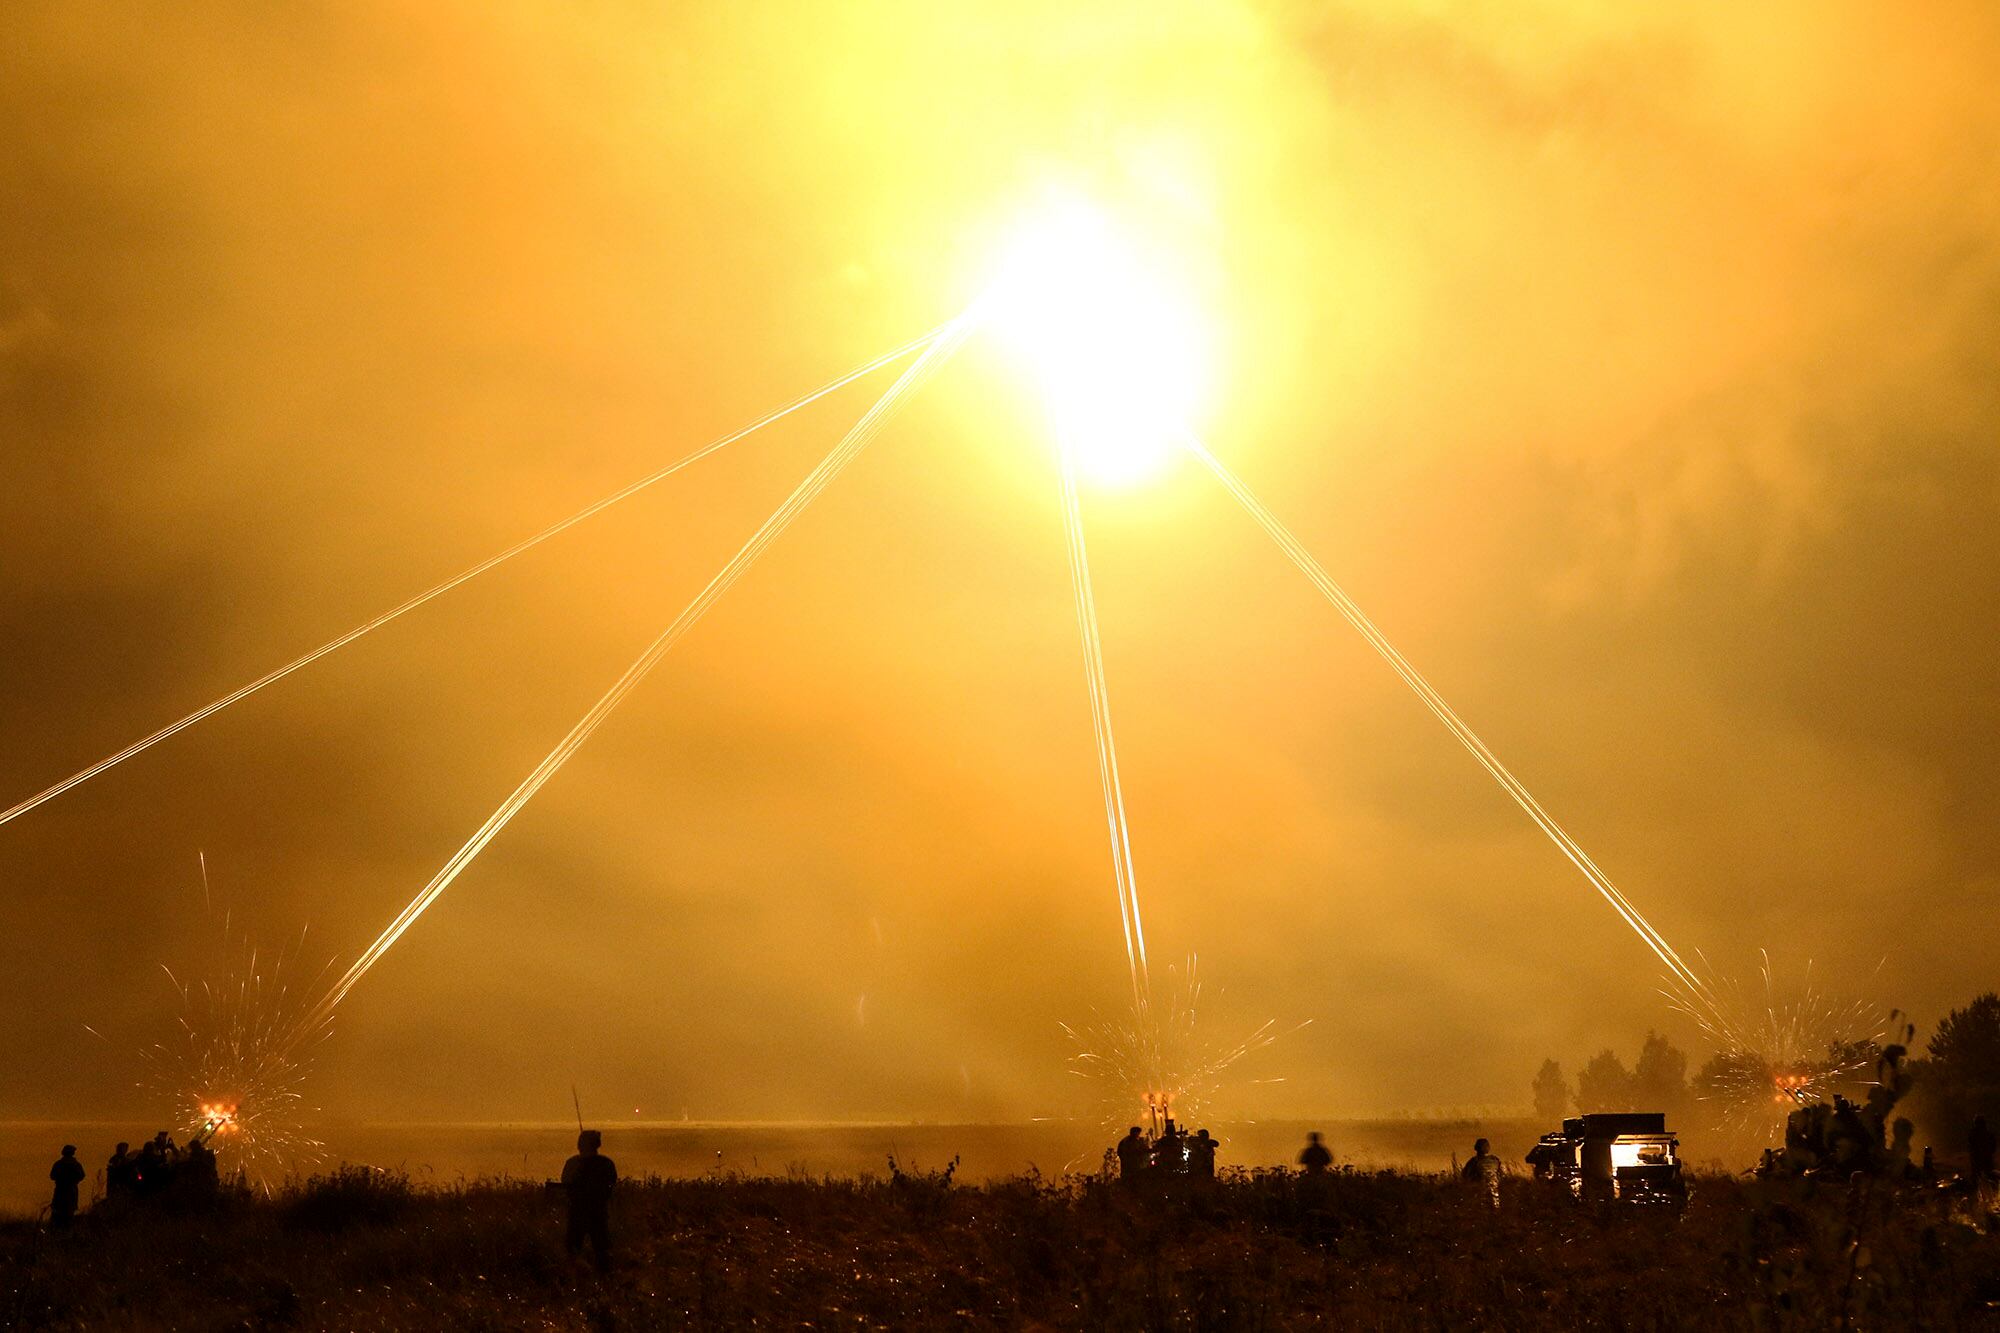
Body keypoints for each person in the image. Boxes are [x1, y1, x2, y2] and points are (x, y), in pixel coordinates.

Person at [560, 1129, 617, 1268]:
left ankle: (573, 1279)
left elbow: (565, 1182)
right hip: (598, 1213)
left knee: (573, 1251)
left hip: (577, 1213)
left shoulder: (572, 1163)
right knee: (602, 1251)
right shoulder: (606, 1163)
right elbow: (611, 1184)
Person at [48, 1145, 85, 1231]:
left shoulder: (58, 1164)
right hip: (71, 1191)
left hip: (60, 1191)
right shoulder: (76, 1164)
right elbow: (82, 1175)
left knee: (58, 1213)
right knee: (68, 1213)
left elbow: (52, 1176)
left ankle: (58, 1230)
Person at [1462, 1137, 1502, 1207]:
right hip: (1494, 1189)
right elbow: (1501, 1174)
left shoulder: (1474, 1161)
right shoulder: (1495, 1160)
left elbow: (1465, 1175)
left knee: (1481, 1207)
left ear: (1476, 1148)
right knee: (1495, 1207)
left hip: (1479, 1189)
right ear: (1488, 1148)